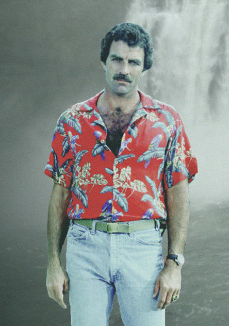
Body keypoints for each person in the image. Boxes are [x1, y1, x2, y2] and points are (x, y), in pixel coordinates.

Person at [45, 22, 198, 325]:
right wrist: (53, 261)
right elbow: (60, 193)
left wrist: (174, 263)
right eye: (116, 59)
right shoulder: (72, 120)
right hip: (84, 245)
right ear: (104, 61)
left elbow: (178, 193)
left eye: (133, 62)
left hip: (142, 246)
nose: (123, 69)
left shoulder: (167, 121)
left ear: (144, 68)